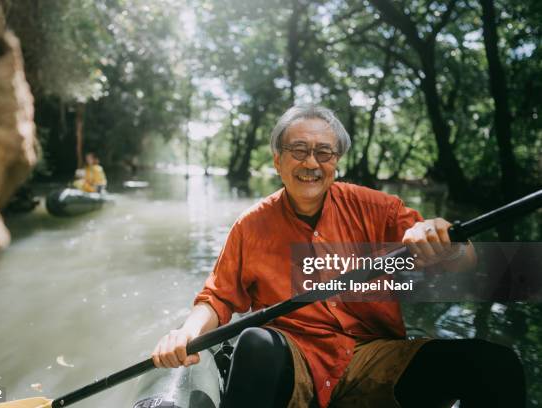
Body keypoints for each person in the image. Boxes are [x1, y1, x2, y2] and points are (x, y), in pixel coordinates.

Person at [152, 105, 525, 408]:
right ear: (278, 160)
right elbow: (217, 298)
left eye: (324, 152)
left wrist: (447, 241)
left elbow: (465, 261)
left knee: (496, 365)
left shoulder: (377, 208)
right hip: (295, 357)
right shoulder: (250, 225)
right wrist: (185, 333)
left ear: (336, 162)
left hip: (373, 357)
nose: (311, 162)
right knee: (256, 343)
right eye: (298, 150)